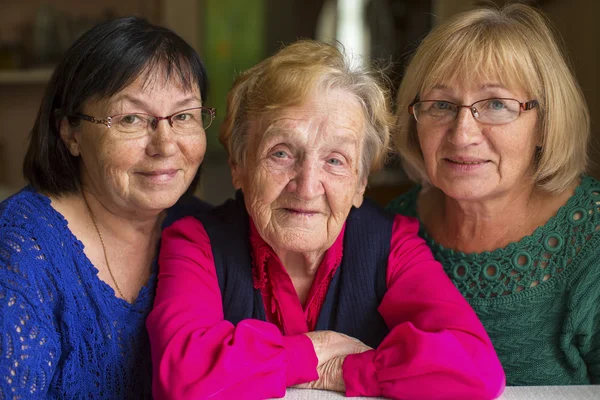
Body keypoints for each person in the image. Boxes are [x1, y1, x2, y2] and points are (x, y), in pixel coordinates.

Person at [147, 40, 505, 400]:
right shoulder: (196, 242)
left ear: (360, 183)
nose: (306, 187)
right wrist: (313, 354)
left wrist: (345, 370)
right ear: (239, 166)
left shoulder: (392, 245)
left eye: (335, 160)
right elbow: (181, 376)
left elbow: (476, 369)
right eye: (282, 153)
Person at [0, 17, 213, 398]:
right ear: (70, 131)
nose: (165, 146)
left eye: (182, 116)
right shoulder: (19, 251)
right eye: (131, 118)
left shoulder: (204, 229)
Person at [387, 3, 599, 386]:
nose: (462, 133)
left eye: (497, 104)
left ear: (545, 124)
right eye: (441, 105)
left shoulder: (594, 242)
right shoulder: (386, 232)